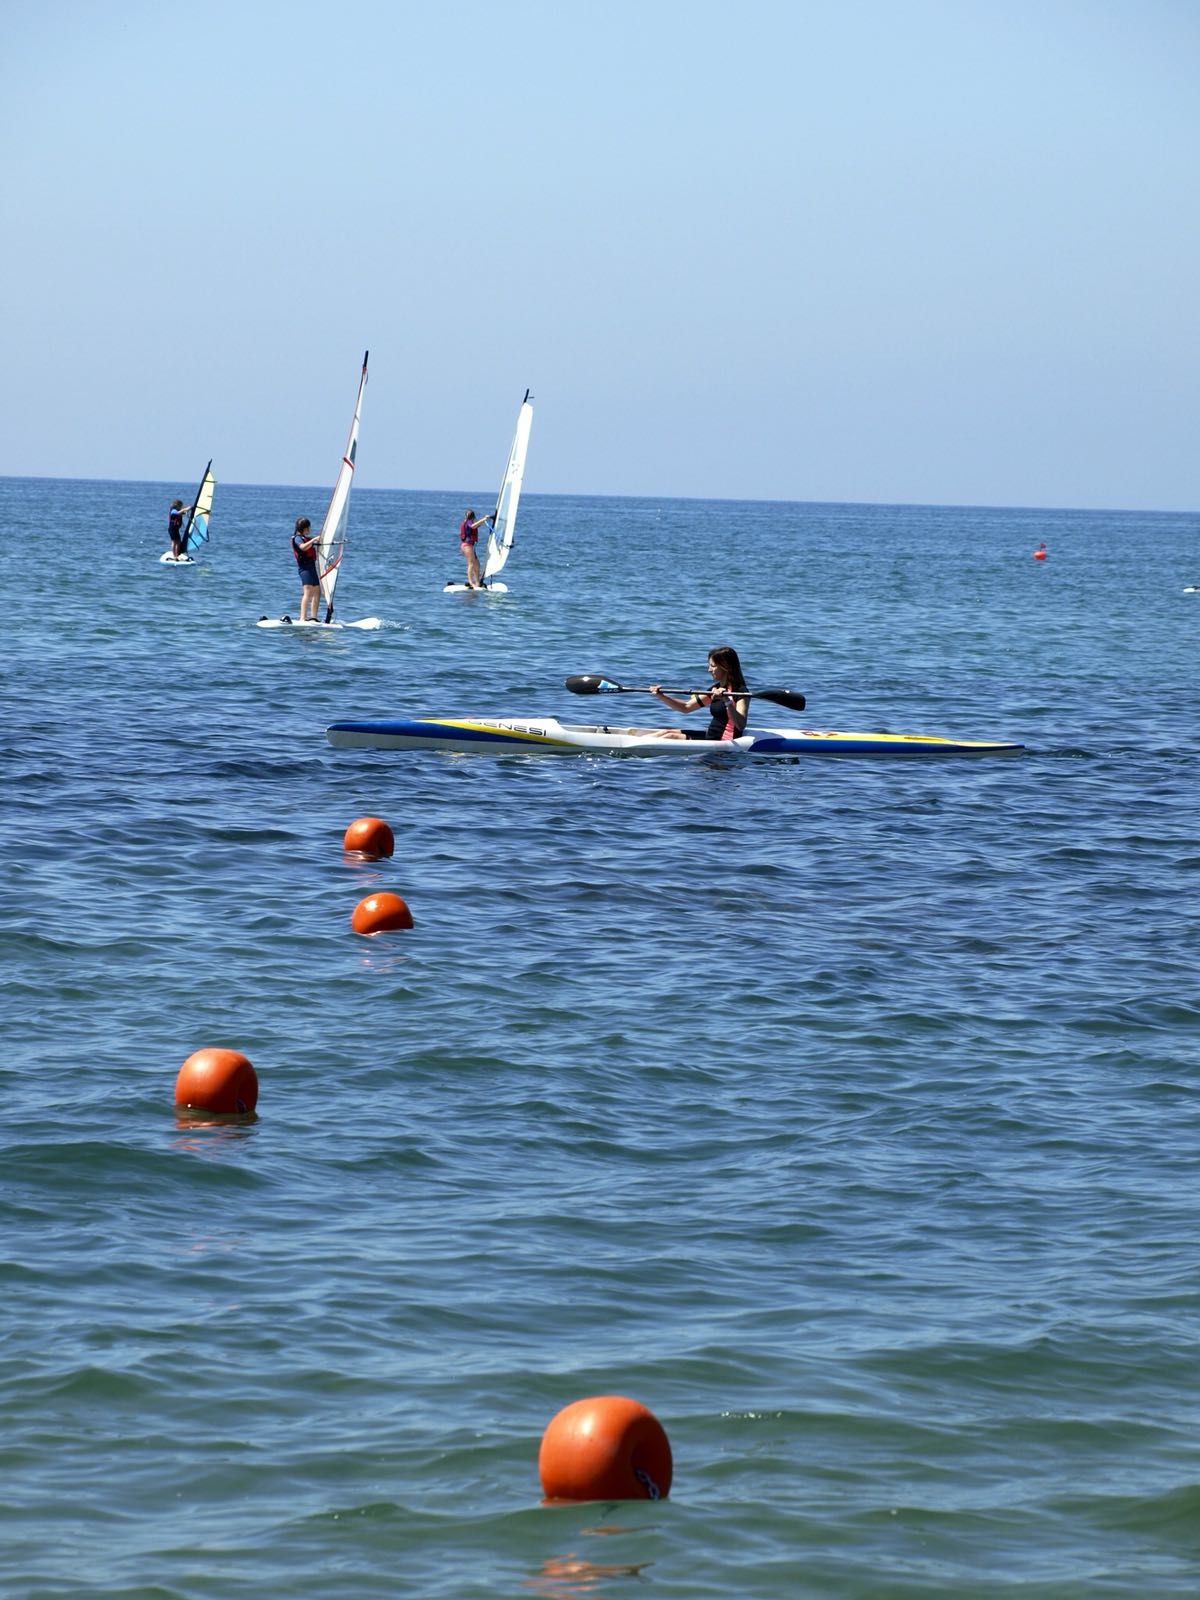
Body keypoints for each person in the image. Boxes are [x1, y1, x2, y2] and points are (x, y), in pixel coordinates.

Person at [649, 646, 751, 741]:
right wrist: (661, 696)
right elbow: (686, 707)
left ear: (725, 667)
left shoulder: (740, 692)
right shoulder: (715, 689)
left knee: (670, 736)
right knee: (665, 732)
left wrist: (726, 700)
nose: (709, 670)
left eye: (713, 666)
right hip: (711, 735)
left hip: (724, 741)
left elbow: (740, 725)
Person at [292, 516, 321, 621]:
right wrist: (313, 540)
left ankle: (314, 617)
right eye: (308, 527)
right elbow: (302, 547)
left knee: (317, 591)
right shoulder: (297, 538)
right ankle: (302, 618)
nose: (310, 529)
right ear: (304, 528)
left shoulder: (306, 539)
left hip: (311, 567)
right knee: (308, 592)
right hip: (304, 568)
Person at [459, 507, 494, 588]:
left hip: (470, 545)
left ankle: (477, 582)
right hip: (467, 545)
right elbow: (473, 526)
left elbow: (477, 524)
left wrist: (485, 519)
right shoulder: (468, 522)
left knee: (477, 564)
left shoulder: (471, 522)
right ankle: (471, 582)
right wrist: (483, 519)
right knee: (471, 564)